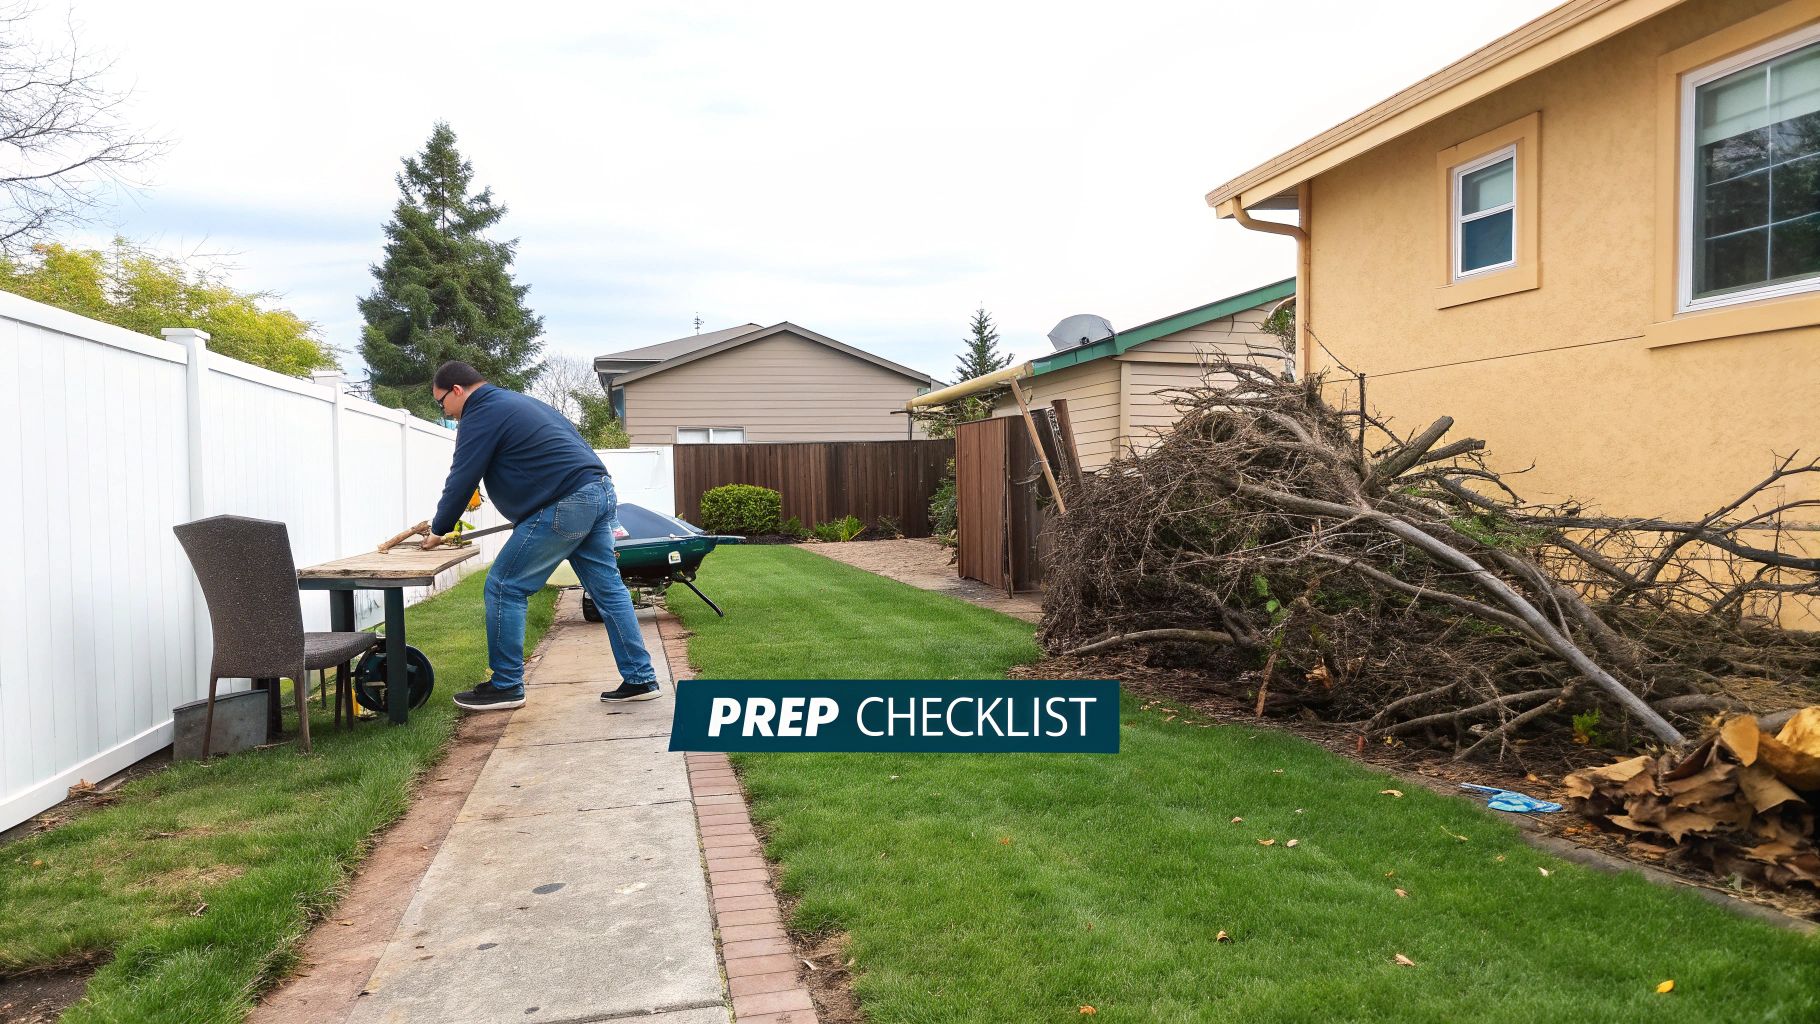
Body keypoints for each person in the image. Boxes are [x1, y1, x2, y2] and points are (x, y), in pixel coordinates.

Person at [422, 360, 659, 710]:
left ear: (457, 391)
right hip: (598, 491)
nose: (447, 412)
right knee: (609, 591)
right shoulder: (517, 402)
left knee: (504, 586)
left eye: (441, 403)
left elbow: (463, 475)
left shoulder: (481, 411)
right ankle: (641, 678)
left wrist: (439, 528)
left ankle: (506, 686)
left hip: (565, 501)